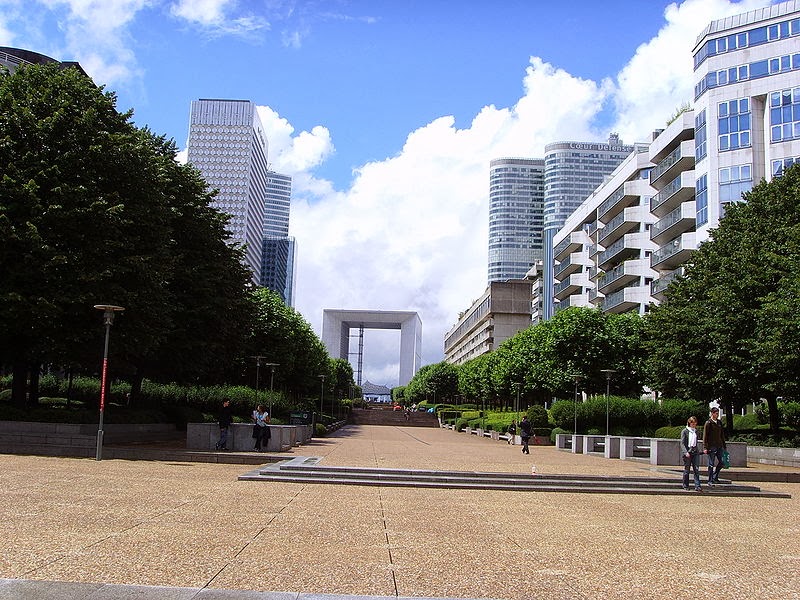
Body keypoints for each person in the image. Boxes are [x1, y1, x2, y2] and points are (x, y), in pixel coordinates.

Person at [703, 406, 726, 486]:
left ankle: (714, 476)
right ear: (712, 414)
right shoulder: (708, 423)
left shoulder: (719, 422)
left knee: (722, 462)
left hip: (719, 445)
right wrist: (705, 447)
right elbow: (705, 436)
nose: (717, 415)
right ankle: (710, 480)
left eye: (718, 413)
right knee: (711, 463)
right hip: (711, 446)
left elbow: (722, 434)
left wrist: (724, 445)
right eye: (716, 413)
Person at [680, 416, 701, 491]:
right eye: (692, 423)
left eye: (695, 423)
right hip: (688, 452)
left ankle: (697, 485)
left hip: (695, 452)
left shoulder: (696, 431)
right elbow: (682, 443)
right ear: (689, 423)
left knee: (696, 469)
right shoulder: (685, 431)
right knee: (687, 470)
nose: (694, 425)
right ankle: (685, 485)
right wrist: (685, 452)